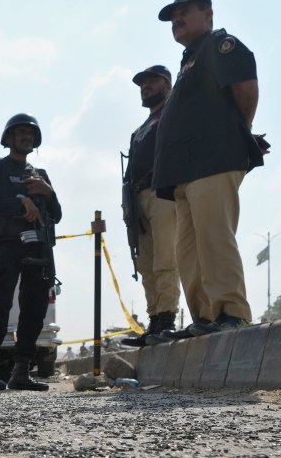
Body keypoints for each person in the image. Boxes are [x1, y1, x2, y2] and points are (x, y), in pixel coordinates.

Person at [153, 0, 266, 338]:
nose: (177, 20)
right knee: (188, 250)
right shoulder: (188, 61)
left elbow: (246, 90)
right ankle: (205, 317)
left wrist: (238, 135)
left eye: (185, 12)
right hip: (184, 172)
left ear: (208, 12)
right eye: (173, 17)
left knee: (215, 238)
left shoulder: (220, 45)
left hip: (213, 160)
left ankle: (231, 312)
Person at [0, 113, 62, 391]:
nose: (26, 137)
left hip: (38, 247)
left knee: (35, 307)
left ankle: (21, 370)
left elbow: (56, 215)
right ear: (9, 138)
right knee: (0, 303)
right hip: (8, 245)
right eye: (20, 132)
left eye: (30, 133)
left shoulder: (41, 175)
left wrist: (48, 194)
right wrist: (20, 200)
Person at [120, 65, 181, 347]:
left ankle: (167, 318)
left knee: (165, 259)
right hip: (138, 198)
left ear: (167, 85)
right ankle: (154, 319)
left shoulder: (172, 114)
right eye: (142, 84)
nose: (146, 87)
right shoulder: (139, 130)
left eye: (152, 82)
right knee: (145, 264)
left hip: (162, 191)